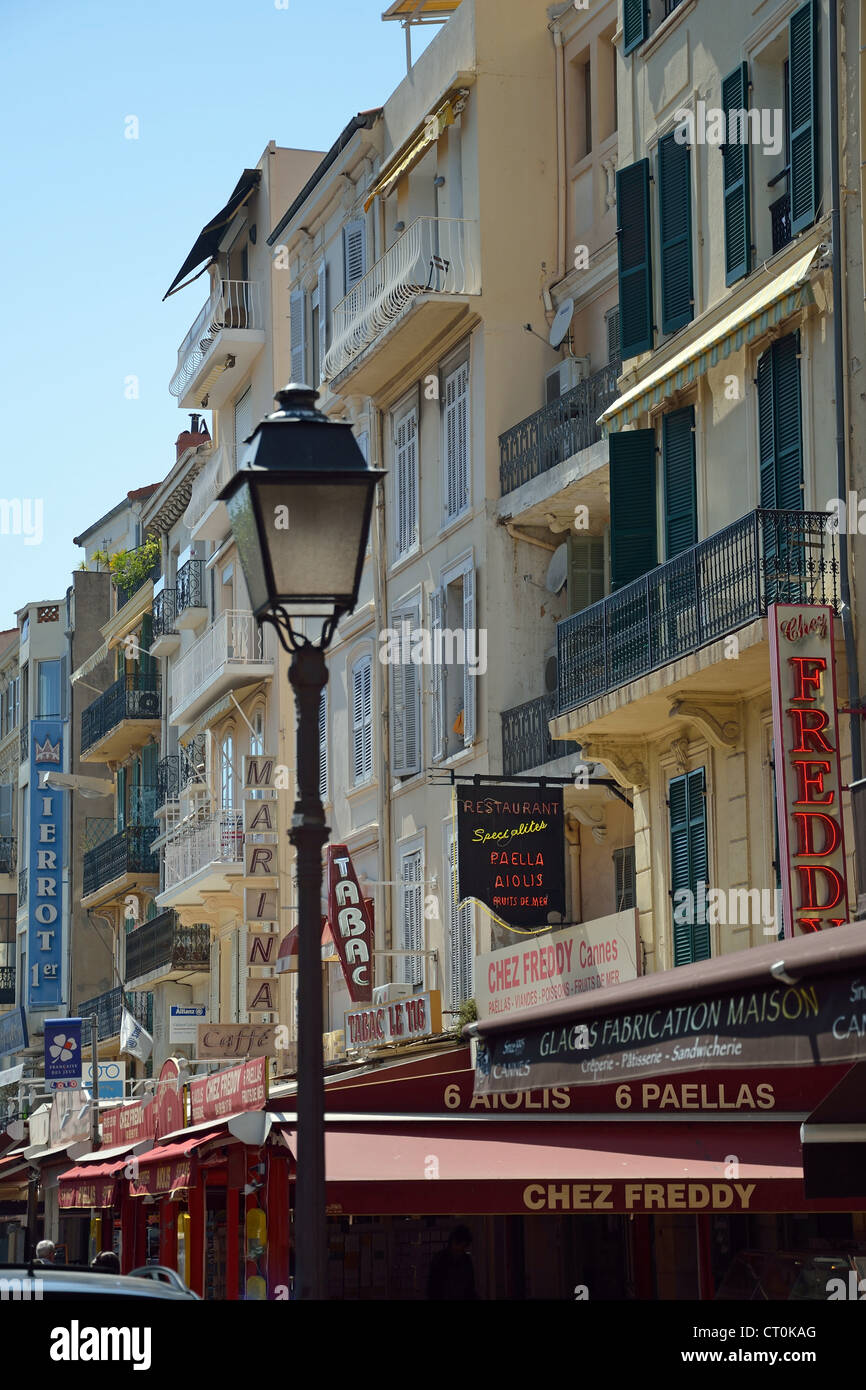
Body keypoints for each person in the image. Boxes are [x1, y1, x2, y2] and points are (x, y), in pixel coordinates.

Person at [426, 1225, 477, 1300]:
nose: (460, 1251)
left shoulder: (466, 1260)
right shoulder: (440, 1259)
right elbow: (433, 1287)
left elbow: (469, 1287)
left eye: (463, 1247)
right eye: (461, 1247)